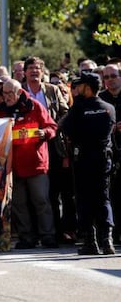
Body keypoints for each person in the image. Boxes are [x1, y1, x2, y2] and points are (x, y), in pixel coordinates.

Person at [0, 79, 58, 249]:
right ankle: (26, 237)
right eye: (3, 93)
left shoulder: (35, 106)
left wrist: (44, 132)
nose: (5, 97)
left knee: (41, 201)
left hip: (36, 163)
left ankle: (48, 235)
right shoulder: (0, 111)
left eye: (9, 93)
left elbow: (52, 126)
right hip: (12, 167)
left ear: (18, 92)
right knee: (19, 204)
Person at [62, 72, 116, 255]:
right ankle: (107, 240)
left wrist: (76, 105)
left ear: (88, 87)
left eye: (81, 86)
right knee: (103, 198)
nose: (77, 89)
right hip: (103, 159)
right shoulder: (109, 108)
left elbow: (65, 127)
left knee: (85, 200)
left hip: (84, 159)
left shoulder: (78, 109)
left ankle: (90, 242)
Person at [22, 56, 70, 244]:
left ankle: (54, 233)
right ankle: (31, 234)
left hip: (52, 145)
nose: (34, 72)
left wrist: (53, 128)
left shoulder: (52, 90)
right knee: (30, 195)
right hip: (27, 148)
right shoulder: (19, 91)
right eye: (31, 68)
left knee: (51, 192)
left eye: (38, 69)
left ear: (43, 72)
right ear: (24, 72)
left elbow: (65, 112)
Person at [98, 63, 121, 245]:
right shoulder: (101, 99)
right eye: (106, 77)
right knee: (112, 194)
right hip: (109, 153)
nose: (109, 81)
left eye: (113, 76)